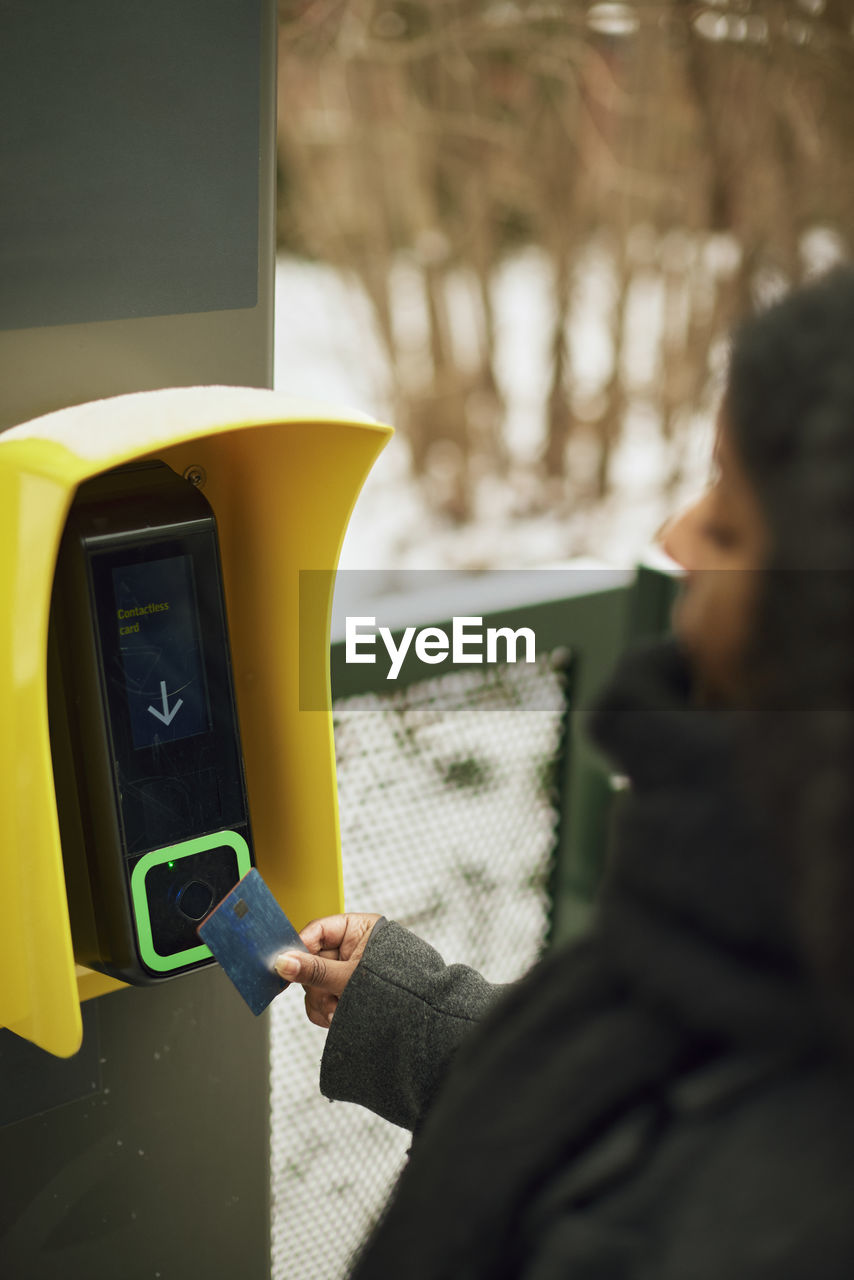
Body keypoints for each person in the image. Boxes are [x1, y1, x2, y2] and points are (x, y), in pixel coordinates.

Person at [275, 266, 854, 1278]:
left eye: (724, 518)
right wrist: (412, 1005)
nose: (670, 537)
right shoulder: (755, 906)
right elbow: (637, 1095)